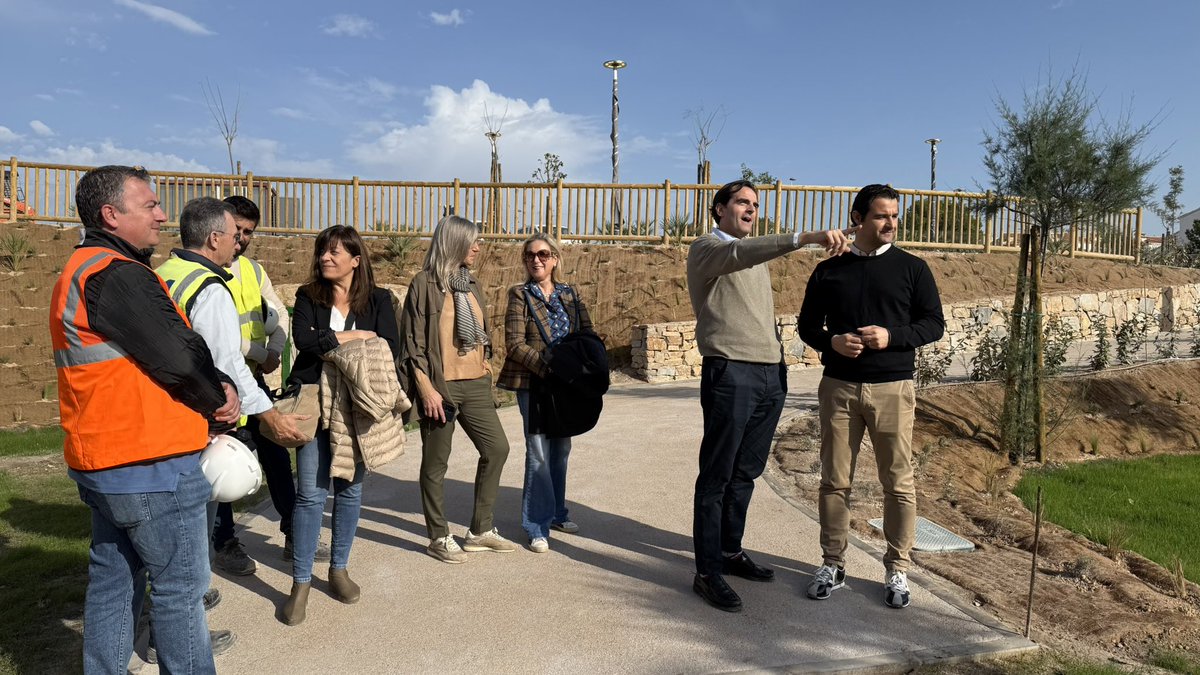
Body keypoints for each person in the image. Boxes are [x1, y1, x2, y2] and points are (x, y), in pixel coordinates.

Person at [50, 165, 241, 673]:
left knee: (114, 581)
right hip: (149, 462)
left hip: (107, 462)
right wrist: (218, 396)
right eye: (150, 205)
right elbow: (177, 356)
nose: (162, 215)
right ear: (112, 215)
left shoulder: (82, 269)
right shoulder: (116, 274)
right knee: (181, 590)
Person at [687, 179, 848, 612]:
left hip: (767, 374)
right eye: (742, 202)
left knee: (746, 472)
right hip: (730, 372)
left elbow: (752, 258)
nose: (750, 209)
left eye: (755, 204)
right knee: (717, 475)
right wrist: (805, 238)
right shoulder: (707, 248)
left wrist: (778, 365)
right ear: (718, 209)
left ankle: (729, 550)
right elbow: (740, 252)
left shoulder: (754, 257)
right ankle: (706, 573)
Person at [798, 183, 945, 609]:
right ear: (858, 217)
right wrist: (831, 343)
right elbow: (808, 326)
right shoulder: (829, 269)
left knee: (898, 483)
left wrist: (891, 337)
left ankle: (897, 568)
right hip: (839, 387)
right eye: (882, 215)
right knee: (833, 480)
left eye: (895, 216)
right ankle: (833, 563)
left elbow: (933, 324)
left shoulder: (913, 269)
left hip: (893, 389)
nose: (891, 223)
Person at [282, 225, 404, 625]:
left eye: (334, 252)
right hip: (315, 402)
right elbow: (303, 340)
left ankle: (338, 568)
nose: (325, 258)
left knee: (349, 491)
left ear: (356, 259)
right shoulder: (308, 296)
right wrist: (352, 335)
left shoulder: (381, 299)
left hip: (359, 407)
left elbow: (387, 346)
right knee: (310, 494)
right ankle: (300, 582)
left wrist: (330, 340)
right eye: (322, 252)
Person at [219, 195, 331, 569]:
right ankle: (224, 542)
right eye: (237, 229)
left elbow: (279, 312)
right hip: (218, 387)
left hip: (251, 382)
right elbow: (218, 334)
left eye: (249, 231)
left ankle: (293, 529)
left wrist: (274, 351)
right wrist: (258, 351)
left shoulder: (252, 270)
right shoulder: (205, 271)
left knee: (277, 456)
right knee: (223, 466)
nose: (243, 238)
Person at [400, 215, 514, 563]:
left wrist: (486, 364)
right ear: (453, 243)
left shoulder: (471, 284)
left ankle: (480, 530)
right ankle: (437, 535)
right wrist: (426, 389)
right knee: (436, 464)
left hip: (476, 384)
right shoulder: (423, 284)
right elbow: (412, 345)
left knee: (497, 449)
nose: (478, 247)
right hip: (440, 388)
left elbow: (482, 331)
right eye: (472, 241)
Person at [497, 232, 594, 553]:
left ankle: (557, 513)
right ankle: (536, 525)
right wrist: (550, 368)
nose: (535, 260)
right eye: (529, 255)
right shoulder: (519, 294)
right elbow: (514, 343)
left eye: (541, 254)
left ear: (554, 258)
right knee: (538, 451)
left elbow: (586, 333)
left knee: (561, 448)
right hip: (534, 384)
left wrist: (582, 366)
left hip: (566, 386)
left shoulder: (570, 293)